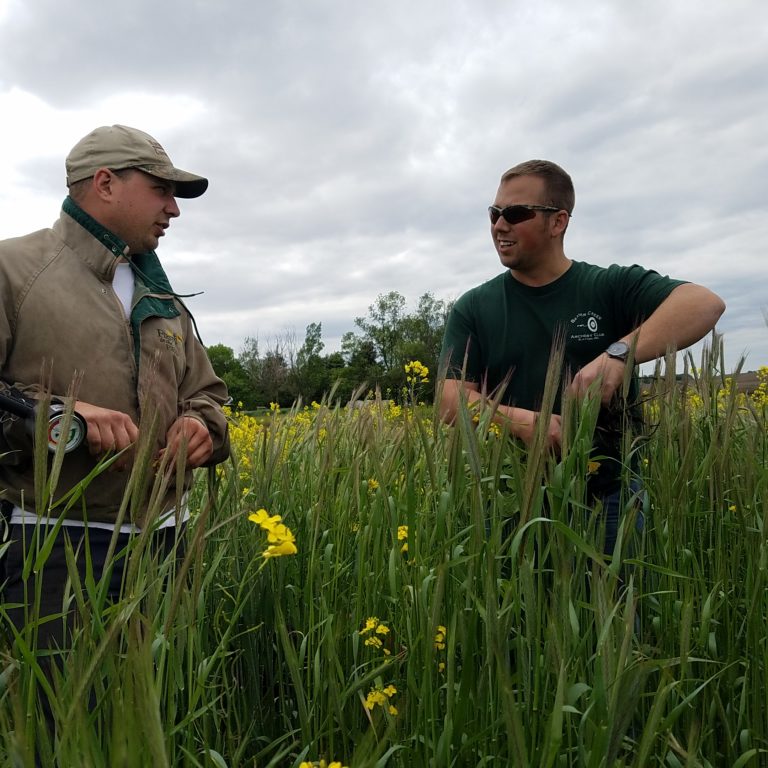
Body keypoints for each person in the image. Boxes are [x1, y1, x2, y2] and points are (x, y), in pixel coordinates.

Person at [0, 125, 230, 653]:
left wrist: (201, 426)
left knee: (164, 712)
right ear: (105, 183)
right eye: (161, 189)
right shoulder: (13, 270)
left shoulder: (163, 296)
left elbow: (208, 394)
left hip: (166, 545)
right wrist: (59, 418)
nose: (174, 208)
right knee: (56, 726)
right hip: (51, 546)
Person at [439, 159, 725, 553]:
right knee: (517, 614)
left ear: (558, 222)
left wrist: (619, 354)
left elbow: (703, 303)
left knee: (615, 609)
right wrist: (525, 423)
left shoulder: (607, 286)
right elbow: (450, 399)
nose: (499, 225)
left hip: (609, 496)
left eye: (516, 213)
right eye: (494, 213)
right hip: (507, 498)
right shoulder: (474, 307)